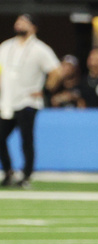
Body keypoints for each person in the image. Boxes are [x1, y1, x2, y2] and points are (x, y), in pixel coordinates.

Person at [0, 14, 61, 188]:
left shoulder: (40, 48)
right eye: (17, 21)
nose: (19, 25)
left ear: (33, 27)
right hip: (7, 101)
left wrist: (45, 90)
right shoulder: (5, 46)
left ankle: (26, 175)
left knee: (26, 140)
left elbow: (56, 71)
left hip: (27, 101)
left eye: (24, 22)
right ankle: (8, 172)